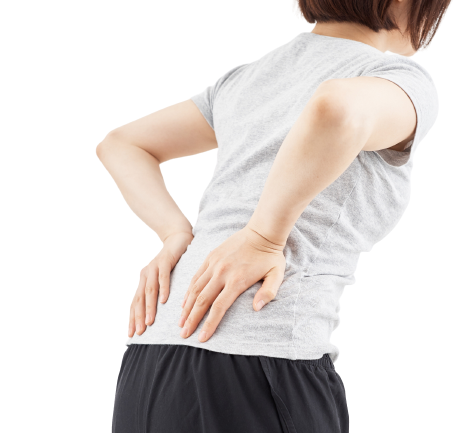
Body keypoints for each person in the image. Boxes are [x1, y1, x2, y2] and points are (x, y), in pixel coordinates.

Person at [99, 1, 451, 431]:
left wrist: (176, 234)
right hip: (259, 361)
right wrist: (263, 238)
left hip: (149, 361)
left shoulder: (247, 77)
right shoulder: (396, 79)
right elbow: (337, 107)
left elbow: (122, 144)